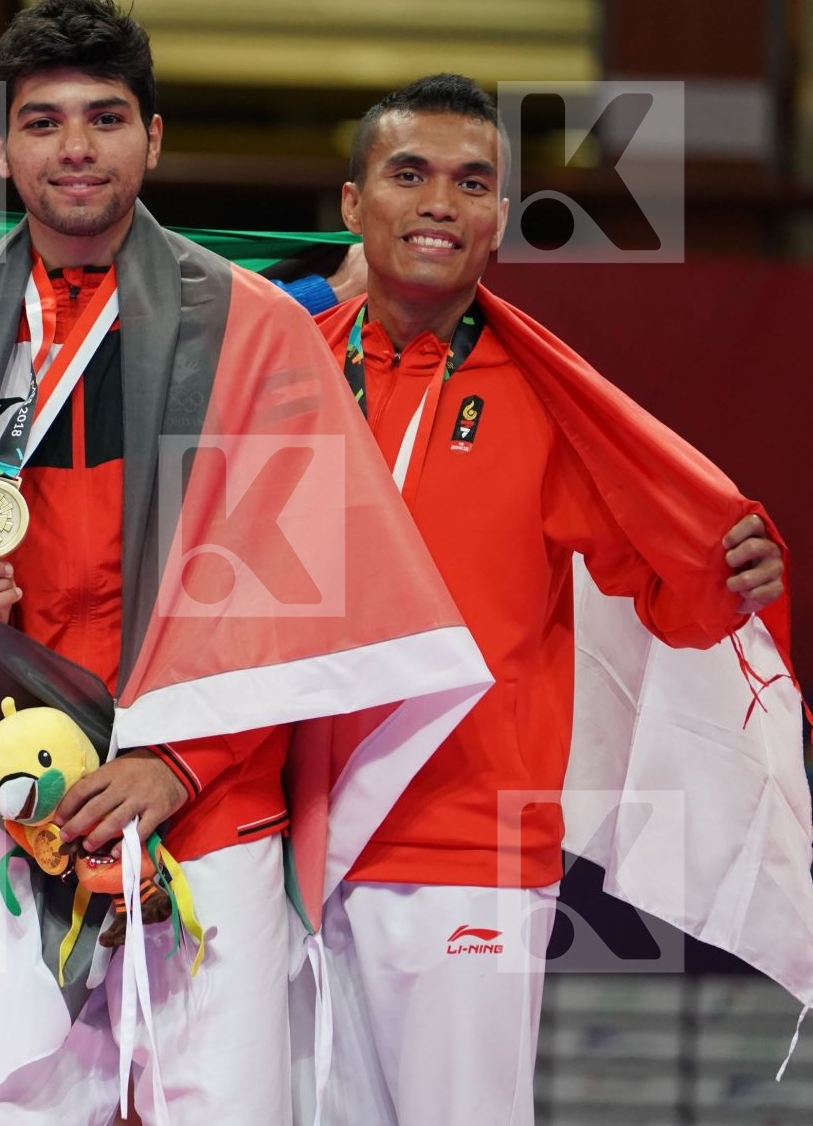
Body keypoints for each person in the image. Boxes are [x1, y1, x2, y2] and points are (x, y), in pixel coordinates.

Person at [0, 0, 491, 1126]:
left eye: (105, 118)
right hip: (17, 819)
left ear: (152, 139)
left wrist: (178, 765)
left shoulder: (255, 329)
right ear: (0, 148)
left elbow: (305, 590)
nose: (76, 147)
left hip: (206, 818)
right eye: (44, 122)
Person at [309, 73, 788, 1126]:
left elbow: (677, 597)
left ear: (499, 218)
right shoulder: (284, 375)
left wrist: (736, 573)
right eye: (409, 174)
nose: (440, 203)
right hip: (291, 851)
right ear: (353, 204)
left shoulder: (551, 400)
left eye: (473, 183)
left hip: (468, 852)